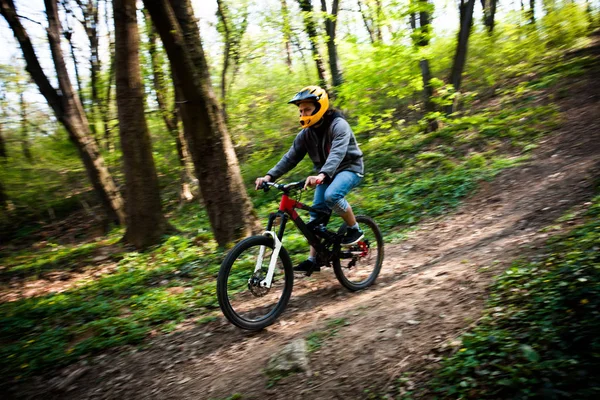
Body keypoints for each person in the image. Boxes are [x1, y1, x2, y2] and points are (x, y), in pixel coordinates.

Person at [255, 86, 364, 274]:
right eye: (300, 111)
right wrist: (268, 176)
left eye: (306, 110)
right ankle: (314, 259)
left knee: (332, 195)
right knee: (315, 219)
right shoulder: (306, 134)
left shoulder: (338, 125)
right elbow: (290, 157)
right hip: (326, 175)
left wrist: (321, 175)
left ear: (319, 107)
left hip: (349, 168)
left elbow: (337, 153)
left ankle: (354, 229)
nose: (302, 114)